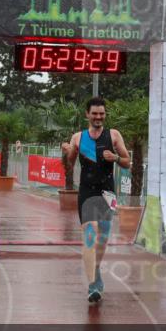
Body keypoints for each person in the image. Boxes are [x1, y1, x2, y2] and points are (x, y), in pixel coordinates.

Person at [61, 97, 131, 304]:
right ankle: (92, 285)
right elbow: (68, 167)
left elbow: (127, 162)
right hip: (87, 192)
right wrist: (66, 153)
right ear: (87, 115)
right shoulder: (78, 138)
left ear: (104, 115)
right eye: (95, 114)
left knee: (103, 238)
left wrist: (116, 159)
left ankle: (96, 270)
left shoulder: (114, 135)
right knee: (90, 233)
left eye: (101, 114)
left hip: (108, 192)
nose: (98, 117)